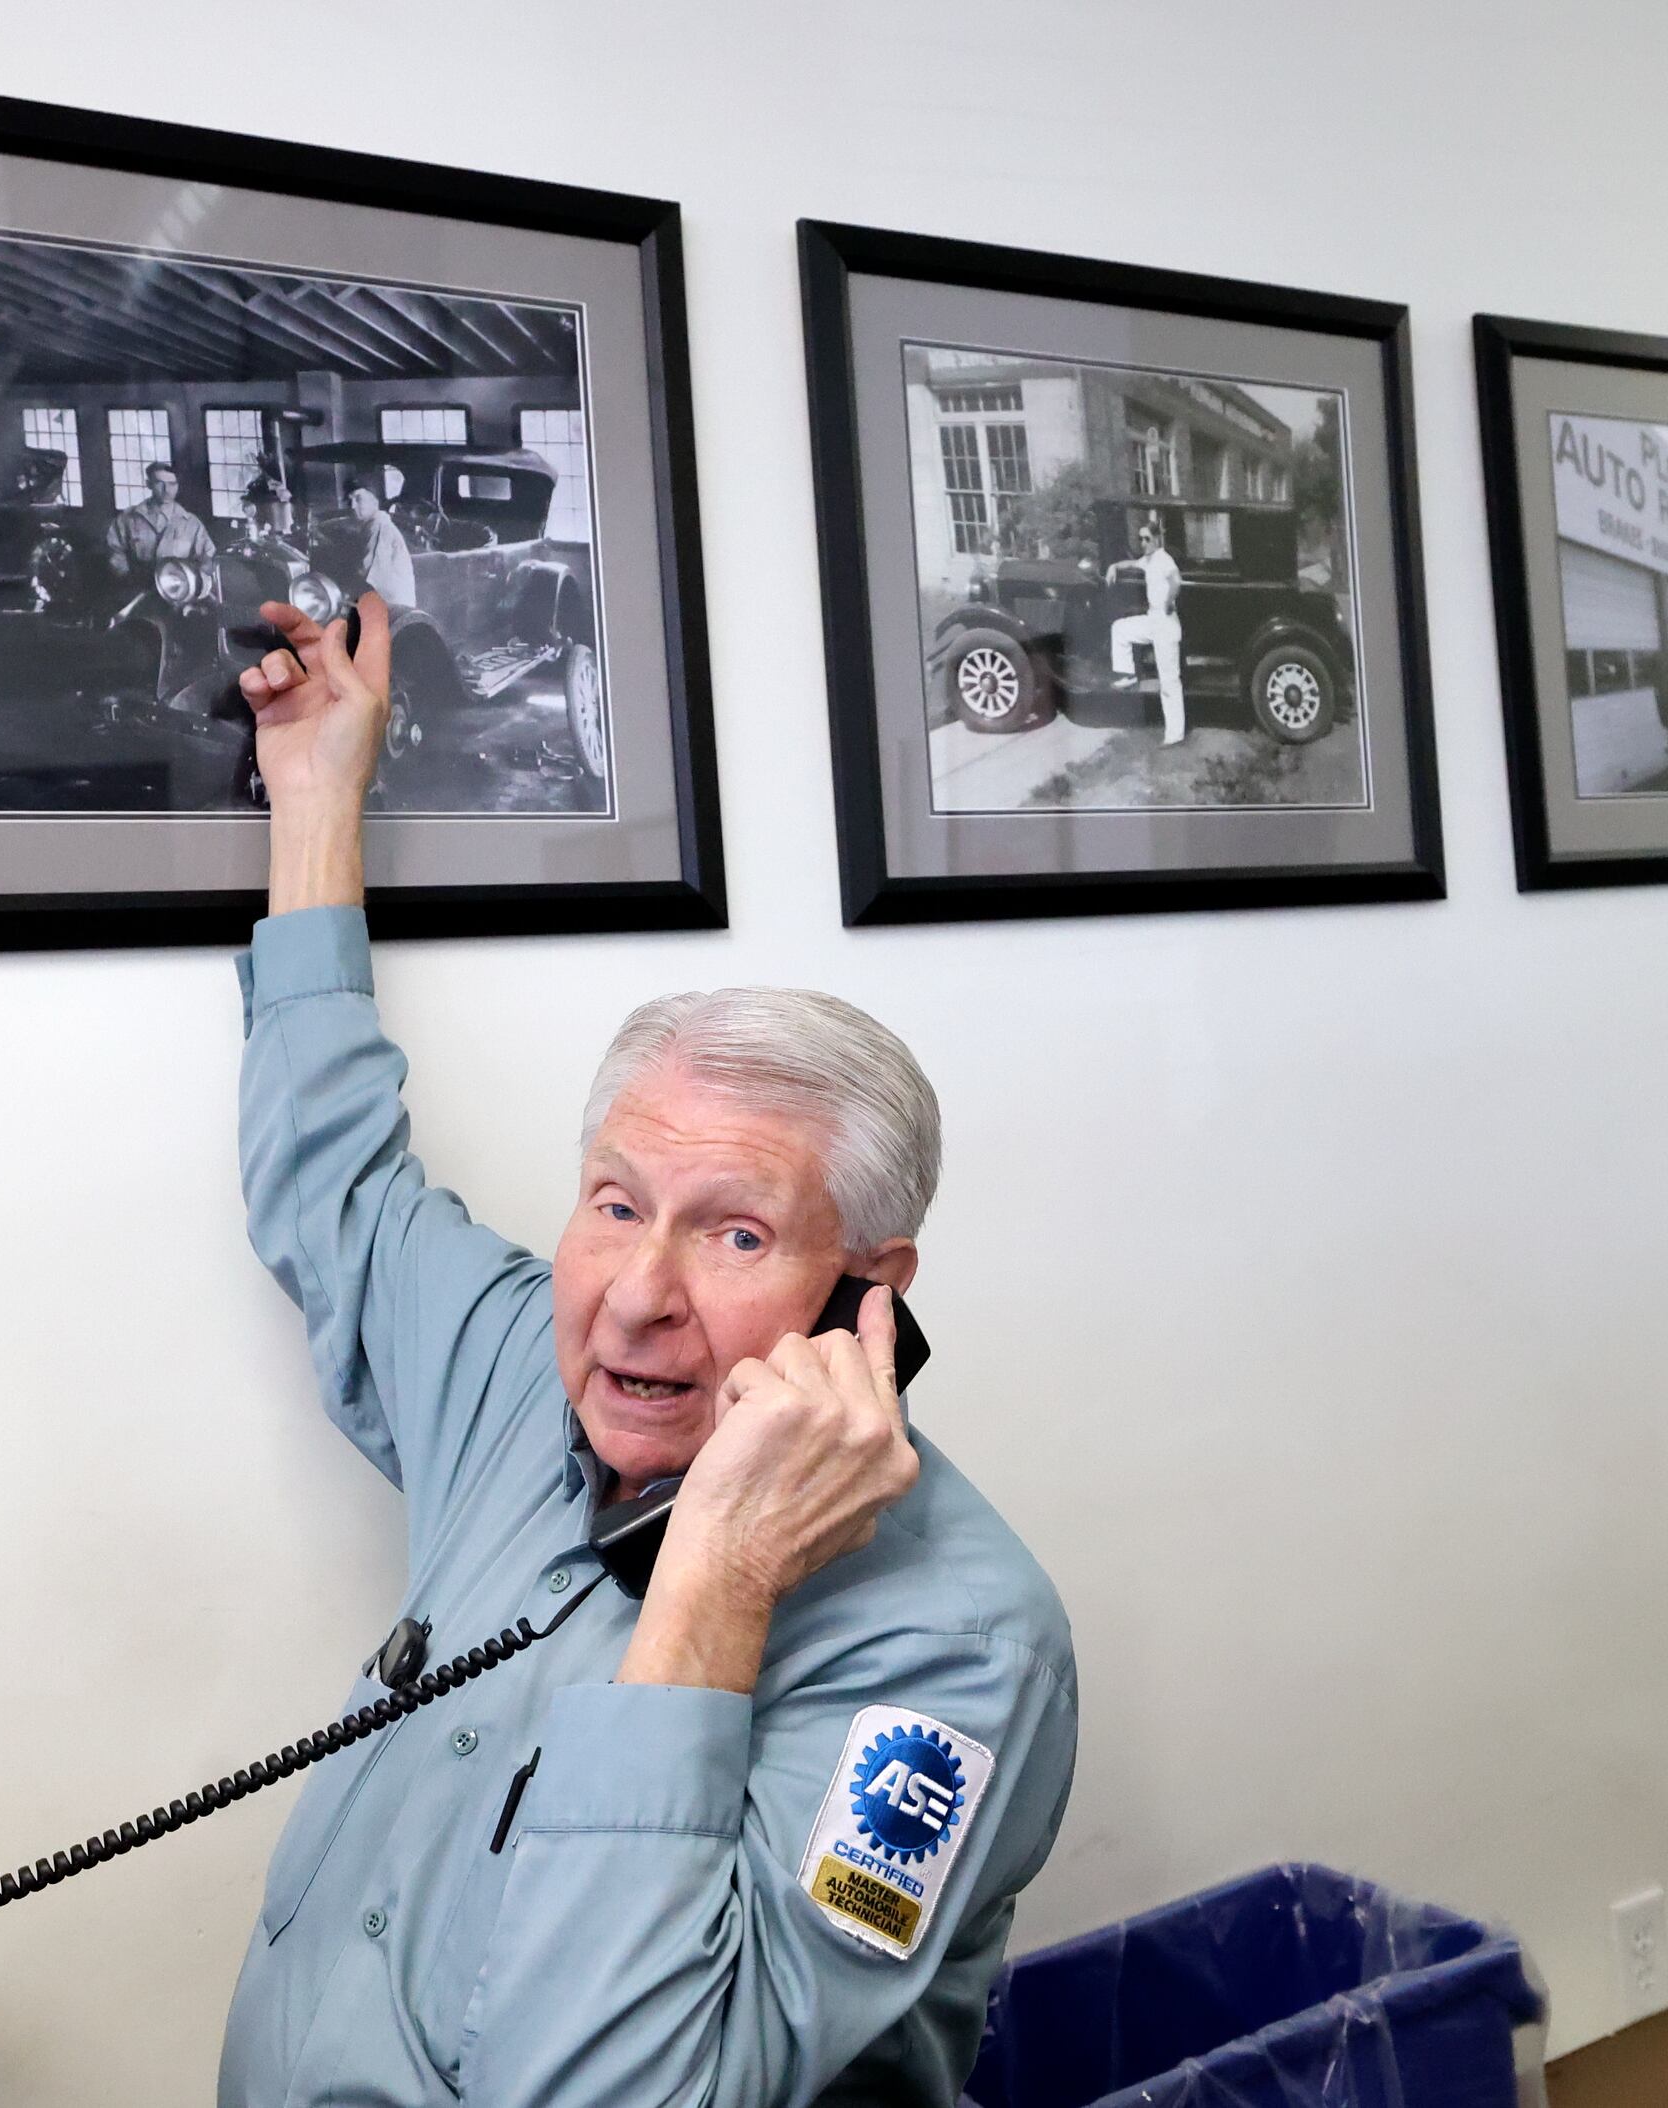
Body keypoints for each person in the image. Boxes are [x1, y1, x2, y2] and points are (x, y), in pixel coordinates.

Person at [215, 594, 1078, 2107]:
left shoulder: (950, 1654)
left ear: (866, 1296)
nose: (633, 1297)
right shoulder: (523, 1371)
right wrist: (315, 797)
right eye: (616, 1204)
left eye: (735, 1236)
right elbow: (335, 1181)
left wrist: (723, 1579)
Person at [1105, 516, 1185, 746]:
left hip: (1166, 623)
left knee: (1169, 681)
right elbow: (1131, 564)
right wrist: (1113, 566)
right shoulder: (1148, 560)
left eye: (1147, 539)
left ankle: (1175, 734)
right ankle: (1128, 674)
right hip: (1153, 620)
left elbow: (1176, 581)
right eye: (1140, 539)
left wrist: (1170, 602)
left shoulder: (1163, 558)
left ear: (1157, 539)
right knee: (1120, 628)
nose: (1143, 543)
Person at [104, 460, 218, 604]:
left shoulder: (191, 523)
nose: (167, 490)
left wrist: (191, 582)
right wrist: (127, 577)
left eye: (172, 484)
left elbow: (208, 557)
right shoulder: (128, 518)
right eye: (159, 483)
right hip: (138, 592)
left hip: (179, 595)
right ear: (149, 484)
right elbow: (114, 551)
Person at [344, 477, 417, 609]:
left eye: (358, 499)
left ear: (374, 501)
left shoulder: (379, 526)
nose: (353, 505)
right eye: (350, 500)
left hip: (393, 609)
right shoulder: (371, 526)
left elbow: (369, 573)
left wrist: (345, 593)